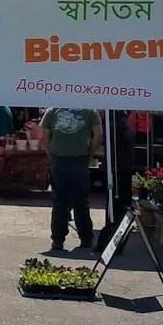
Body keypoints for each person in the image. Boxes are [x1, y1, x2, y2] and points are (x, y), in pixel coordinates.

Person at [39, 105, 103, 252]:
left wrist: (51, 157)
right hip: (80, 160)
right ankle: (86, 238)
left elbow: (44, 137)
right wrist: (89, 154)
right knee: (81, 201)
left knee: (59, 202)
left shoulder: (51, 111)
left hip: (59, 160)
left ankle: (58, 240)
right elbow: (98, 134)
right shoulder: (90, 110)